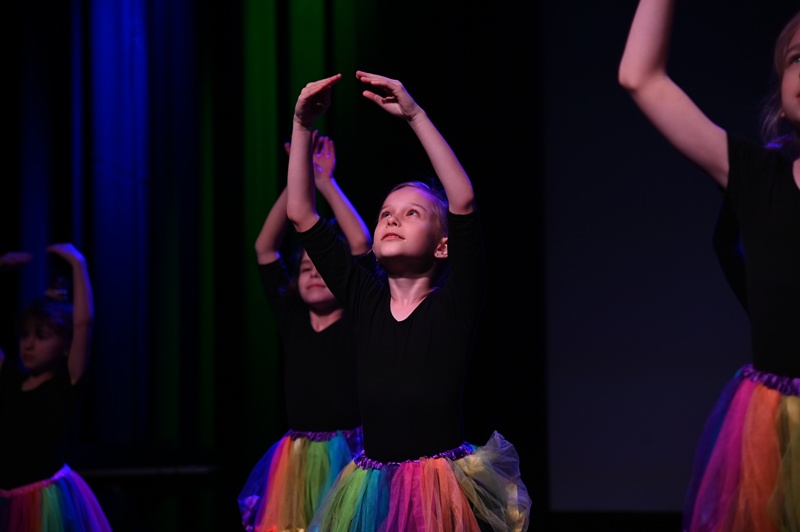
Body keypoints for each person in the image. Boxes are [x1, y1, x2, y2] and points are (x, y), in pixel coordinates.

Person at [285, 71, 531, 531]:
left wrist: (415, 115)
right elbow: (301, 213)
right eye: (385, 214)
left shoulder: (455, 303)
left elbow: (463, 200)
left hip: (439, 486)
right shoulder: (363, 299)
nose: (393, 219)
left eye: (412, 213)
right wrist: (301, 125)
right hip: (372, 486)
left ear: (443, 245)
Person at [619, 2, 800, 530]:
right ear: (781, 99)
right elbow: (640, 77)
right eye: (797, 58)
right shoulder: (758, 176)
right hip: (778, 425)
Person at [238, 131, 373, 531]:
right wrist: (296, 184)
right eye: (305, 268)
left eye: (322, 268)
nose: (314, 272)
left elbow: (361, 244)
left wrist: (325, 183)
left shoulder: (357, 317)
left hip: (350, 451)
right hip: (296, 457)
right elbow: (265, 248)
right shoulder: (292, 318)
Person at [0, 243, 112, 531]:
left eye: (41, 336)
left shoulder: (66, 384)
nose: (28, 344)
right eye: (25, 334)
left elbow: (84, 324)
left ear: (65, 345)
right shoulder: (10, 381)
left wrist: (78, 264)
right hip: (7, 502)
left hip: (45, 504)